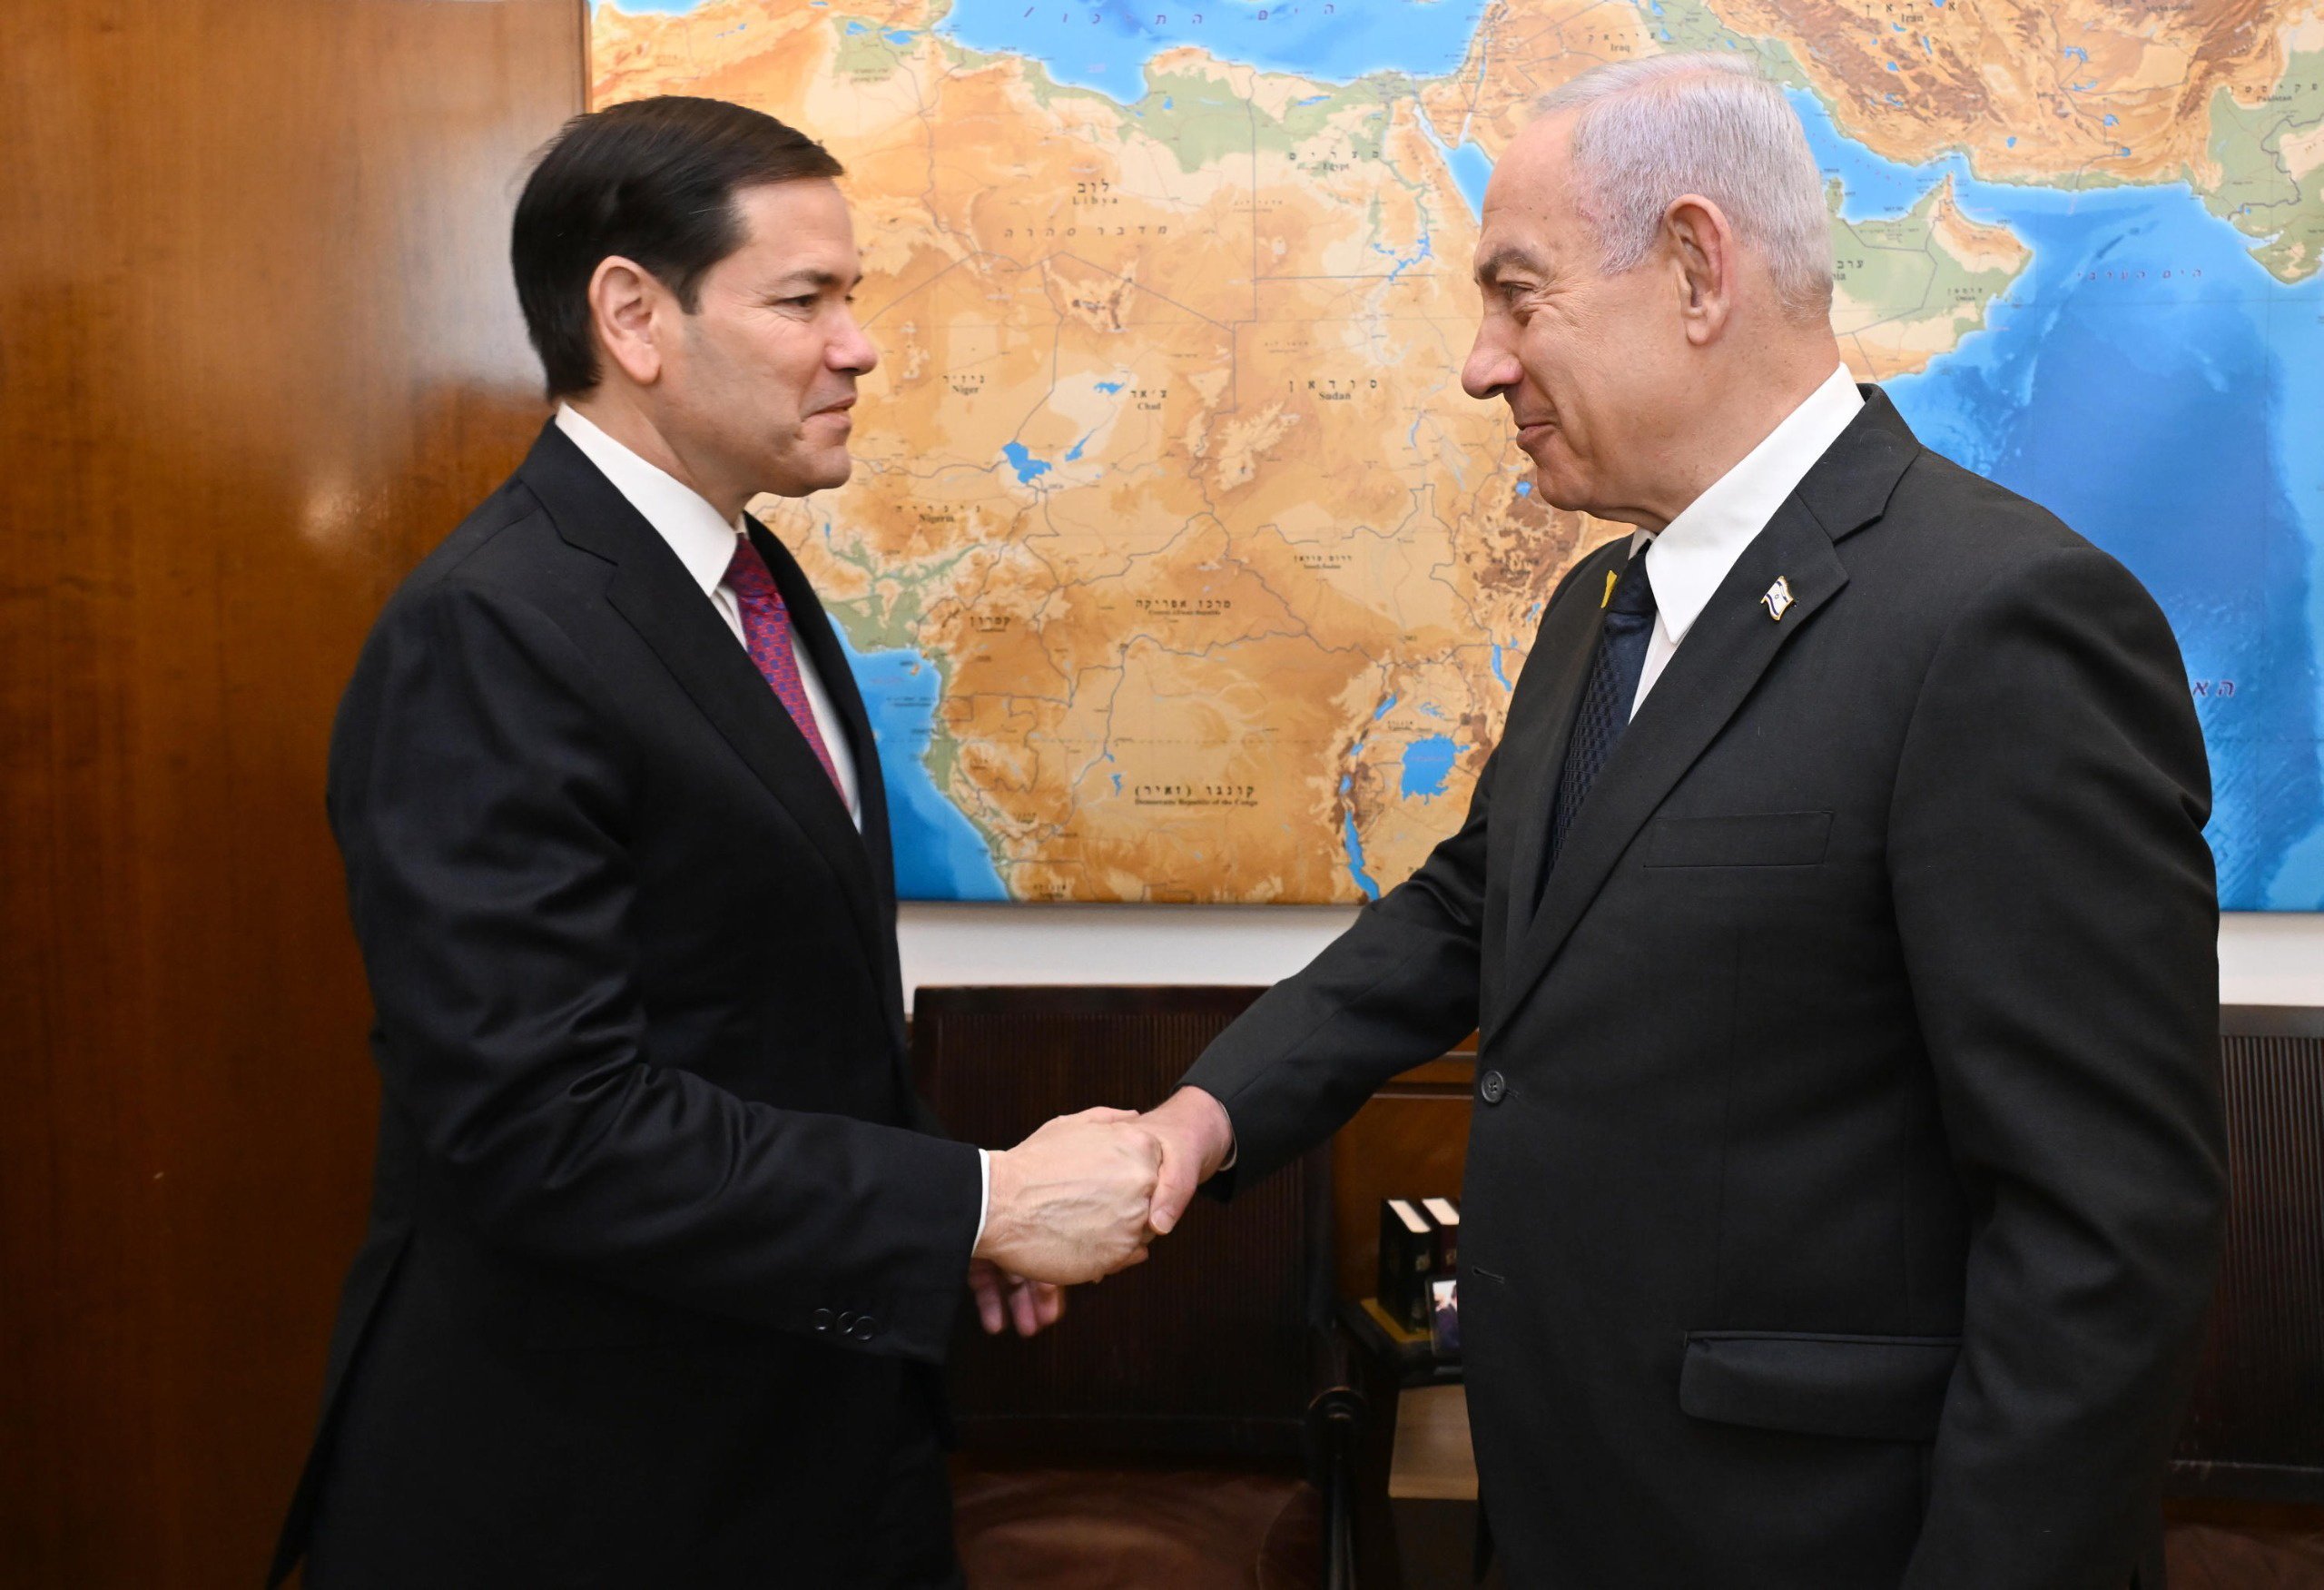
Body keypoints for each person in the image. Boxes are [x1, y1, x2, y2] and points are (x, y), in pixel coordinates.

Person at [1138, 54, 2226, 1588]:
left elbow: (2104, 1234)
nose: (1480, 364)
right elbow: (1484, 902)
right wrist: (1202, 1119)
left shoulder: (1999, 624)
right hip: (1573, 1498)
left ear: (1697, 268)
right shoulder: (1605, 604)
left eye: (1519, 296)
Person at [271, 95, 1162, 1589]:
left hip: (789, 1442)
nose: (857, 344)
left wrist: (936, 1227)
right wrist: (983, 1202)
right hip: (591, 1485)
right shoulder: (492, 630)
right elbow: (543, 1124)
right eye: (804, 298)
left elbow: (746, 1012)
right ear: (633, 314)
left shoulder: (746, 581)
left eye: (851, 298)